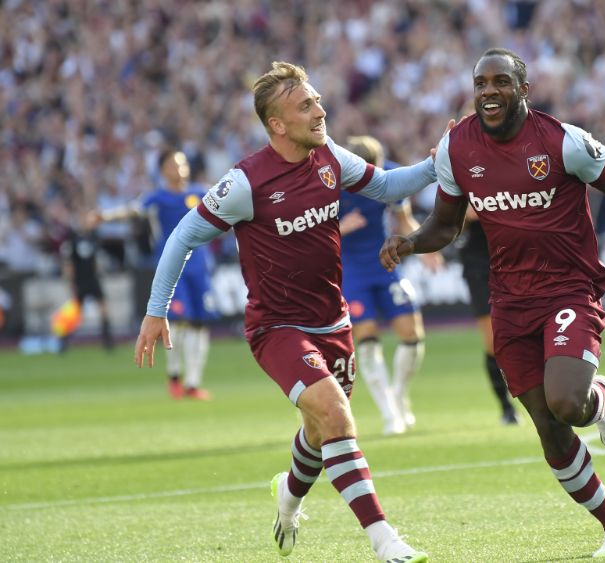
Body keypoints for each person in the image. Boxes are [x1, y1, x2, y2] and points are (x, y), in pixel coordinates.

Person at [134, 62, 444, 562]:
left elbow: (386, 186)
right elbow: (183, 236)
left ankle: (288, 497)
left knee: (320, 430)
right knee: (337, 416)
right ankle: (386, 541)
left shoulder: (327, 156)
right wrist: (156, 310)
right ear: (276, 124)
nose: (320, 110)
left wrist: (434, 166)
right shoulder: (245, 182)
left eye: (317, 100)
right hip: (277, 328)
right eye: (306, 105)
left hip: (333, 321)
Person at [380, 48, 605, 557]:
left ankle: (600, 398)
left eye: (501, 81)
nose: (489, 90)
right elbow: (445, 224)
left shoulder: (561, 141)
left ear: (523, 90)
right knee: (548, 428)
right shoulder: (456, 147)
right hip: (509, 299)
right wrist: (410, 242)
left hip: (568, 288)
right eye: (480, 82)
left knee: (569, 404)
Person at [340, 135, 442, 436]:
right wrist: (340, 227)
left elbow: (403, 218)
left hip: (386, 267)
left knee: (412, 334)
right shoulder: (331, 185)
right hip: (352, 273)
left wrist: (426, 246)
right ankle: (390, 414)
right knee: (368, 340)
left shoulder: (390, 177)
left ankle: (399, 393)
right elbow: (310, 232)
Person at [94, 149, 215, 400]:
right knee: (178, 321)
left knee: (199, 325)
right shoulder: (157, 198)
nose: (179, 169)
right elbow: (133, 211)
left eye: (182, 163)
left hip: (199, 266)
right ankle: (174, 376)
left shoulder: (200, 193)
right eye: (173, 164)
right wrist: (105, 216)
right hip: (172, 266)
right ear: (162, 171)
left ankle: (193, 383)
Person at [457, 205, 520, 425]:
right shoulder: (463, 175)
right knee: (493, 341)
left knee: (531, 330)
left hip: (516, 257)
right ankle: (506, 407)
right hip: (479, 264)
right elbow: (455, 215)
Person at [59, 207, 115, 352]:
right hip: (80, 280)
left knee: (103, 308)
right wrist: (71, 282)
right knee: (75, 312)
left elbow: (95, 259)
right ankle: (63, 341)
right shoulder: (73, 238)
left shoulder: (93, 237)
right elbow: (69, 263)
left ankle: (108, 341)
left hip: (93, 278)